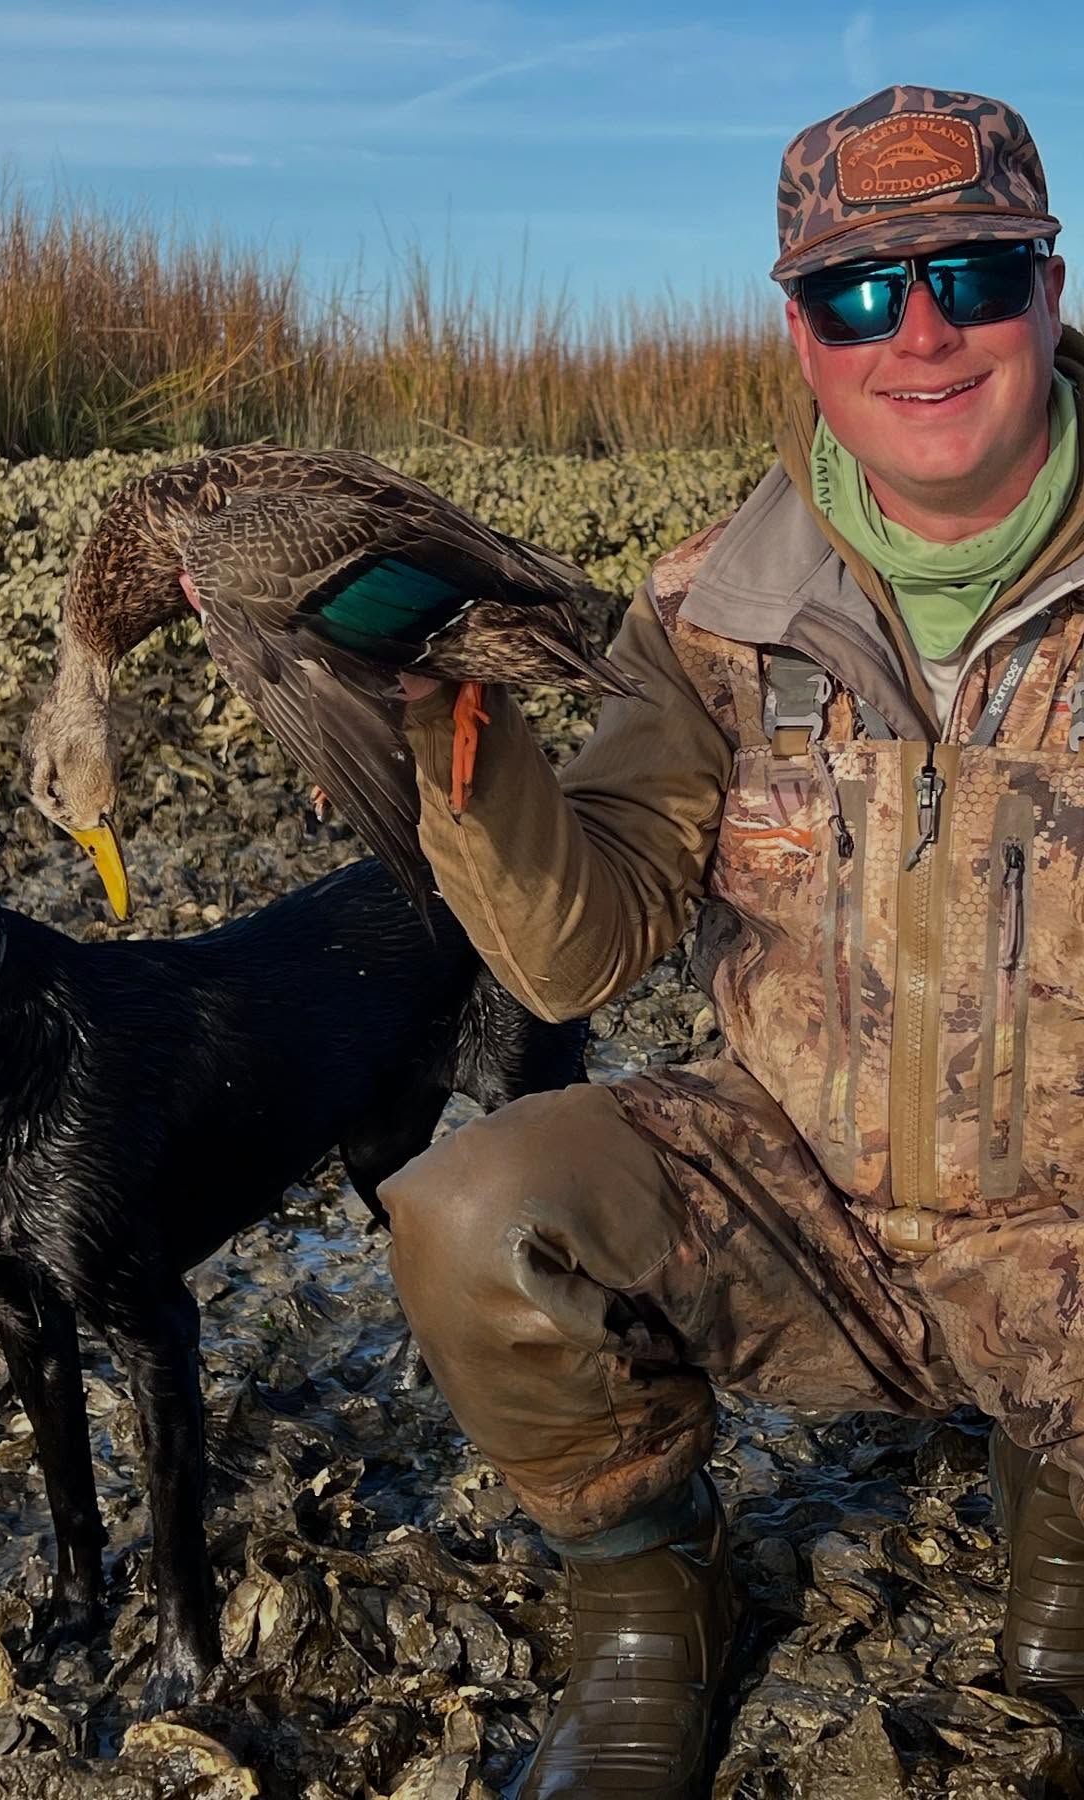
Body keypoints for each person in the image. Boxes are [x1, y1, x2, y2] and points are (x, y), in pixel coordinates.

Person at [381, 85, 1084, 1799]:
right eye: (860, 292)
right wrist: (445, 725)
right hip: (808, 1200)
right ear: (799, 329)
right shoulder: (703, 612)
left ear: (1049, 288)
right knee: (479, 1215)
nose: (919, 332)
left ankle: (1062, 1554)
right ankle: (648, 1607)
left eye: (972, 274)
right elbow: (576, 957)